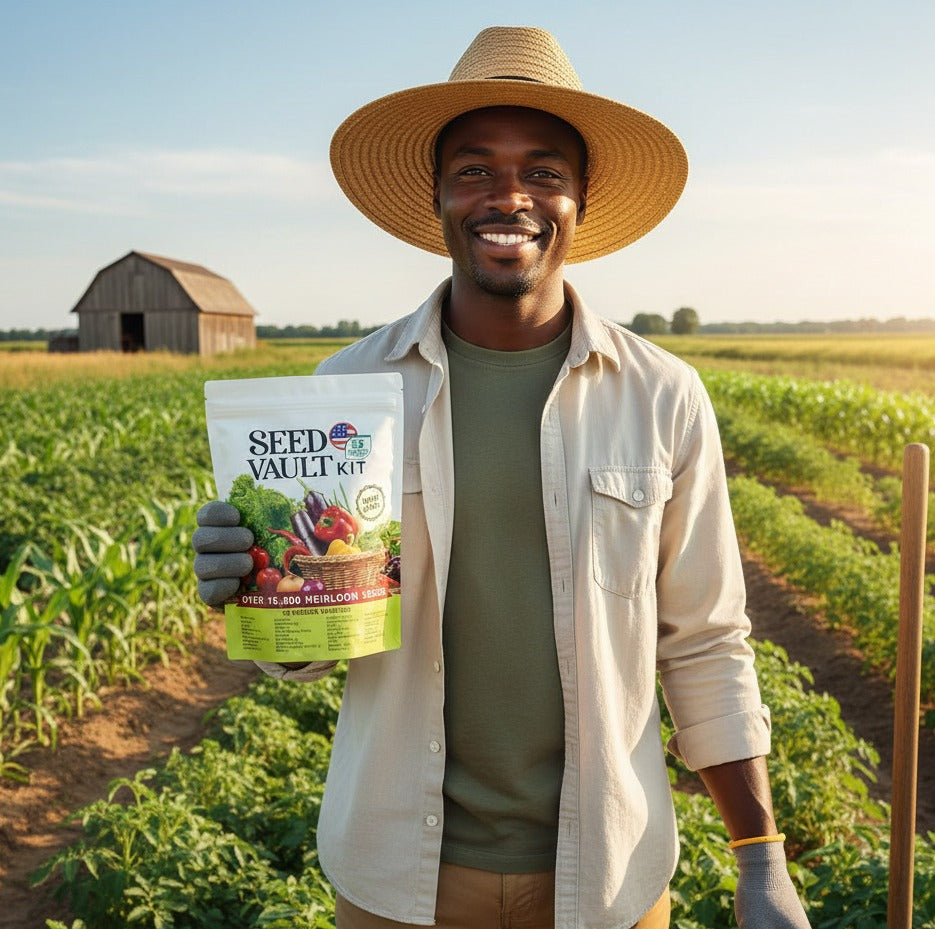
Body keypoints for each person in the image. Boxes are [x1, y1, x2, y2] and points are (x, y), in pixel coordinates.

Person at [193, 26, 811, 929]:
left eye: (544, 171)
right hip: (398, 875)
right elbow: (315, 648)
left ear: (579, 199)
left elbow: (705, 638)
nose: (509, 196)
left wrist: (759, 858)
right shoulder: (349, 392)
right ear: (438, 195)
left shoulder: (661, 396)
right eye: (475, 169)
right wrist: (262, 590)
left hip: (608, 872)